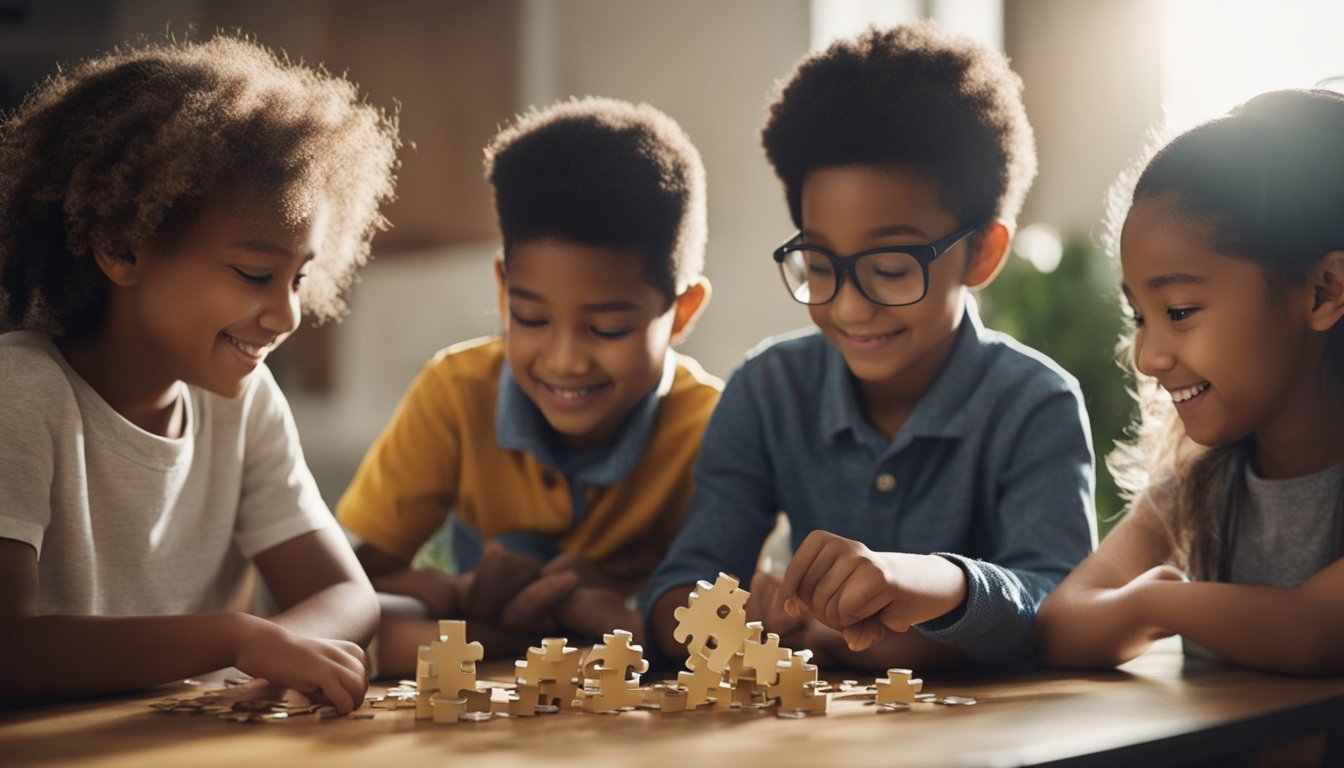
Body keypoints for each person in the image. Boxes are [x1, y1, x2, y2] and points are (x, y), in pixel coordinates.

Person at [645, 21, 1096, 669]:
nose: (851, 306)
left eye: (890, 269)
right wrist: (730, 617)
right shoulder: (768, 389)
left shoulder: (1035, 403)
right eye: (821, 265)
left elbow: (1058, 608)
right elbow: (675, 591)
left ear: (981, 252)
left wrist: (931, 583)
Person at [0, 36, 399, 710]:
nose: (288, 314)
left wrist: (279, 657)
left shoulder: (243, 402)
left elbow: (343, 593)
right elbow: (9, 649)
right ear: (122, 247)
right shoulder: (23, 392)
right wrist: (235, 638)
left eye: (299, 278)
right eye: (254, 274)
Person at [337, 96, 720, 673]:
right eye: (532, 319)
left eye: (607, 327)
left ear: (683, 311)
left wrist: (621, 614)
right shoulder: (457, 392)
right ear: (502, 291)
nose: (564, 361)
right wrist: (467, 597)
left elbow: (725, 619)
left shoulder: (710, 427)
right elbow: (344, 584)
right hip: (490, 697)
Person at [1036, 89, 1344, 677]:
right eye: (1139, 316)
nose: (1148, 357)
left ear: (1325, 290)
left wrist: (1154, 603)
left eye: (1178, 311)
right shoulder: (1200, 483)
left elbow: (1312, 633)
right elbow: (1061, 624)